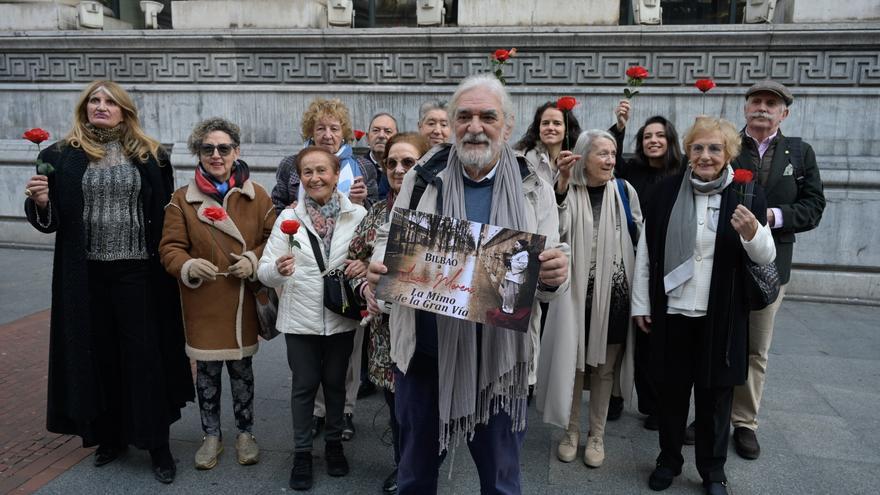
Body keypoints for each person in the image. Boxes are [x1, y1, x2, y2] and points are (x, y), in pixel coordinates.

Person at [366, 74, 570, 494]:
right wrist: (379, 264)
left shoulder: (535, 185)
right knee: (414, 476)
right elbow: (389, 238)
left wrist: (555, 274)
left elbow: (551, 263)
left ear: (508, 126)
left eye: (487, 116)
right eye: (465, 116)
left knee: (500, 482)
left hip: (500, 363)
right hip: (425, 356)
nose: (475, 126)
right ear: (453, 123)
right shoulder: (424, 174)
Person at [22, 80, 193, 484]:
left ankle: (156, 444)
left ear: (125, 111)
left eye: (110, 102)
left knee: (144, 359)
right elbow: (52, 224)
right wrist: (41, 203)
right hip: (86, 276)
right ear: (84, 109)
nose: (102, 106)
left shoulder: (152, 155)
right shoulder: (58, 157)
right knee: (98, 357)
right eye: (94, 101)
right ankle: (110, 438)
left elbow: (164, 213)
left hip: (138, 274)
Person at [630, 116, 776, 495]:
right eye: (698, 147)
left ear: (728, 153)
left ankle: (713, 472)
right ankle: (668, 460)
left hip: (722, 316)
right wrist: (642, 304)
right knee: (672, 394)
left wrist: (752, 233)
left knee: (715, 400)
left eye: (714, 148)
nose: (706, 155)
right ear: (688, 152)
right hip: (674, 311)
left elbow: (765, 257)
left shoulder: (747, 195)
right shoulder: (665, 192)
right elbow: (646, 253)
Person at [159, 118, 276, 470]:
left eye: (223, 148)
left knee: (242, 373)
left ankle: (245, 433)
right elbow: (169, 247)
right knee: (207, 375)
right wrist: (188, 266)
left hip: (241, 299)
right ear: (198, 153)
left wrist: (254, 259)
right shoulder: (182, 200)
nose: (216, 155)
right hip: (203, 302)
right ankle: (211, 436)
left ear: (236, 152)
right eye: (207, 148)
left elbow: (277, 238)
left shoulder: (258, 195)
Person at [258, 146, 367, 491]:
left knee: (335, 383)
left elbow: (369, 256)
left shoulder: (358, 215)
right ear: (300, 178)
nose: (315, 178)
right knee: (304, 386)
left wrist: (363, 265)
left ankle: (334, 445)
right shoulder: (288, 218)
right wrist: (277, 268)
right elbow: (263, 271)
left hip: (339, 317)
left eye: (322, 171)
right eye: (308, 172)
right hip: (299, 318)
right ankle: (302, 452)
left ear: (337, 174)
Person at [729, 81, 825, 460]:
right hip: (724, 262)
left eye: (772, 103)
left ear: (784, 113)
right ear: (745, 108)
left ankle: (744, 422)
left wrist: (775, 216)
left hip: (771, 267)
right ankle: (713, 414)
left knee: (756, 348)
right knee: (718, 340)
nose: (763, 108)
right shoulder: (728, 146)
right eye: (756, 101)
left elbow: (814, 205)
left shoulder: (799, 153)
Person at [536, 129, 642, 469]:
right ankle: (571, 432)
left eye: (613, 153)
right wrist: (562, 182)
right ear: (583, 155)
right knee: (574, 364)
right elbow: (557, 229)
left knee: (605, 368)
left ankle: (596, 435)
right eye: (602, 153)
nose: (611, 160)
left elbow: (638, 237)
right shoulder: (565, 190)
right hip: (576, 293)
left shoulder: (624, 191)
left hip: (614, 292)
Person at [349, 132, 431, 494]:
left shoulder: (437, 212)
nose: (399, 170)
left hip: (429, 330)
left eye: (408, 163)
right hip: (385, 334)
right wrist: (366, 287)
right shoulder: (376, 214)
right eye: (392, 163)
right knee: (398, 408)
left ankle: (423, 466)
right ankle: (403, 466)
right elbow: (350, 263)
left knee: (425, 409)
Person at [612, 112, 685, 430]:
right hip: (630, 261)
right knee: (626, 332)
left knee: (661, 339)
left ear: (670, 141)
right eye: (647, 137)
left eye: (660, 136)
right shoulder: (632, 172)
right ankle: (615, 396)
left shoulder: (683, 173)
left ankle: (659, 404)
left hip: (670, 266)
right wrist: (619, 130)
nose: (653, 141)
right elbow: (608, 162)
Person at [271, 97, 369, 214]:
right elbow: (276, 205)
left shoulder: (363, 166)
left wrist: (361, 202)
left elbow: (375, 211)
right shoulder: (290, 164)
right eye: (321, 128)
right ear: (311, 133)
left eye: (334, 129)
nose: (327, 135)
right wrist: (288, 212)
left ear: (343, 133)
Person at [514, 100, 583, 185]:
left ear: (567, 129)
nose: (550, 127)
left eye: (557, 123)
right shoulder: (522, 158)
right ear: (538, 128)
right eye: (545, 123)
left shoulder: (577, 159)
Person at [357, 112, 399, 202]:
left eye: (388, 131)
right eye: (376, 130)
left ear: (397, 139)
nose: (381, 135)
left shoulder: (403, 169)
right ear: (368, 138)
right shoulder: (356, 168)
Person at [501, 239, 530, 314]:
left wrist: (511, 264)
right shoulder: (518, 253)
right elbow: (514, 262)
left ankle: (509, 310)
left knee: (511, 294)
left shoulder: (524, 254)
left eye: (517, 244)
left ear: (522, 245)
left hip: (515, 278)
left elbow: (523, 265)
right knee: (507, 293)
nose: (515, 246)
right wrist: (508, 263)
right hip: (510, 276)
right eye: (515, 244)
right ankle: (505, 308)